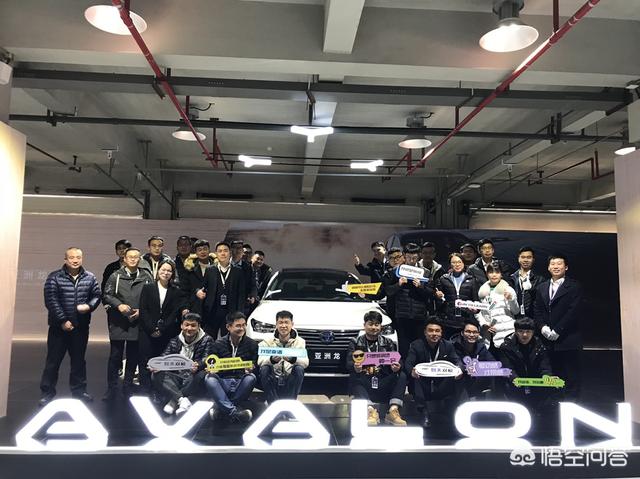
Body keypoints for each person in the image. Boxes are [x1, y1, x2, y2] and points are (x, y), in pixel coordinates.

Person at [39, 247, 101, 406]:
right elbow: (51, 301)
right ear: (65, 259)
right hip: (58, 328)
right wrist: (63, 320)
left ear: (82, 258)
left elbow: (96, 296)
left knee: (79, 362)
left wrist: (89, 306)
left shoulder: (90, 277)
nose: (75, 260)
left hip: (80, 327)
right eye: (72, 257)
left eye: (78, 257)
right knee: (53, 362)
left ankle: (79, 391)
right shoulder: (54, 277)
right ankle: (47, 392)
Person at [102, 247, 154, 400]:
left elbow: (152, 298)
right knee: (115, 356)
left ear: (140, 259)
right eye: (130, 256)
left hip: (137, 321)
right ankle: (111, 388)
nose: (133, 259)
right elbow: (107, 295)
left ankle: (128, 386)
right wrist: (119, 305)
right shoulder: (115, 276)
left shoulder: (146, 276)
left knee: (133, 356)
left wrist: (141, 311)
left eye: (136, 257)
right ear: (124, 259)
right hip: (118, 321)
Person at [534, 254, 584, 401]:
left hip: (568, 339)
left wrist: (558, 330)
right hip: (547, 340)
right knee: (552, 373)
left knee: (571, 374)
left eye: (559, 264)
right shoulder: (541, 287)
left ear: (566, 267)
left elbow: (573, 311)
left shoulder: (574, 286)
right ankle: (553, 403)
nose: (556, 266)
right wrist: (542, 327)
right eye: (553, 264)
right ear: (548, 267)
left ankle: (571, 404)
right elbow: (537, 309)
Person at [346, 311, 407, 426]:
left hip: (383, 380)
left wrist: (396, 367)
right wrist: (355, 367)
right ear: (364, 326)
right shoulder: (355, 342)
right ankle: (370, 411)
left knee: (402, 376)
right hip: (365, 382)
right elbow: (349, 363)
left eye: (377, 324)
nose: (373, 327)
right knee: (354, 375)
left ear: (381, 327)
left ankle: (393, 411)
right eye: (370, 324)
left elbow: (398, 361)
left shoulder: (388, 342)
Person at [138, 259, 186, 394]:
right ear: (158, 271)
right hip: (147, 331)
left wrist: (162, 328)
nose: (166, 273)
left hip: (166, 332)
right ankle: (145, 390)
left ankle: (159, 391)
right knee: (145, 360)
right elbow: (143, 309)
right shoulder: (148, 288)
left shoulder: (175, 291)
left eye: (169, 271)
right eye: (163, 270)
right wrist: (152, 329)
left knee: (162, 362)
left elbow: (174, 313)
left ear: (172, 274)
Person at [151, 313, 215, 415]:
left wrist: (198, 365)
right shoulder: (175, 340)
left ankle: (174, 401)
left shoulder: (207, 340)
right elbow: (165, 356)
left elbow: (208, 358)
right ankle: (182, 400)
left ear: (199, 327)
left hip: (193, 376)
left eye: (193, 325)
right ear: (181, 326)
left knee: (203, 375)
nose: (189, 328)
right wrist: (157, 365)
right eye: (187, 325)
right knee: (156, 374)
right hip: (177, 376)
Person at [405, 317, 462, 428]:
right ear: (425, 332)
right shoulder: (416, 345)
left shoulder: (448, 345)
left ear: (441, 333)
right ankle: (423, 413)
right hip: (423, 382)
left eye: (437, 331)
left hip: (440, 382)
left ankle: (451, 411)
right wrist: (412, 371)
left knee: (457, 376)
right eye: (430, 331)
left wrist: (459, 369)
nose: (434, 334)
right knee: (415, 377)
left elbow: (458, 361)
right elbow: (408, 363)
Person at [383, 243, 433, 360]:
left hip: (419, 316)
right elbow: (387, 291)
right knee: (403, 348)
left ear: (419, 256)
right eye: (409, 257)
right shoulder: (395, 272)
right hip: (401, 316)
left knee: (419, 348)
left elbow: (431, 293)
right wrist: (398, 284)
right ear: (404, 256)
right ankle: (403, 369)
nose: (411, 260)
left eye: (414, 258)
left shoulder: (425, 272)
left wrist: (421, 286)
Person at [205, 312, 258, 423]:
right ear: (228, 327)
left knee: (251, 377)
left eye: (244, 325)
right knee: (209, 378)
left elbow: (255, 364)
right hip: (223, 380)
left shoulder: (252, 344)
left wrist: (252, 368)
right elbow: (211, 363)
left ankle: (221, 409)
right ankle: (234, 412)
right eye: (238, 326)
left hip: (240, 380)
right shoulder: (217, 344)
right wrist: (211, 369)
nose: (242, 328)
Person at [500, 317, 557, 413]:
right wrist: (514, 379)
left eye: (528, 331)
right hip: (515, 384)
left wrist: (547, 376)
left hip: (536, 384)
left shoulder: (539, 345)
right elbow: (507, 368)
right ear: (515, 332)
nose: (525, 335)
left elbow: (544, 365)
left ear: (533, 332)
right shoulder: (506, 346)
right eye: (521, 331)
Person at [196, 241, 246, 339]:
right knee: (209, 339)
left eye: (225, 251)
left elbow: (241, 294)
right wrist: (198, 291)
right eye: (220, 251)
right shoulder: (210, 270)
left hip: (230, 311)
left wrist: (240, 314)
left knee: (228, 339)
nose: (223, 253)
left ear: (230, 252)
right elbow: (202, 287)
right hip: (212, 311)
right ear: (216, 254)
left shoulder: (238, 271)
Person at [257, 310, 308, 404]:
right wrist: (271, 360)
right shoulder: (267, 341)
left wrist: (293, 359)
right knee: (264, 369)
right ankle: (273, 404)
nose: (283, 326)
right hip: (274, 379)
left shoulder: (300, 342)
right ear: (276, 324)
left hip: (289, 379)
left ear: (292, 324)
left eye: (286, 322)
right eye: (280, 322)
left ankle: (289, 404)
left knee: (299, 369)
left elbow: (305, 362)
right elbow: (260, 361)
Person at [475, 262, 519, 354]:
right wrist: (484, 324)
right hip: (488, 335)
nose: (494, 275)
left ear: (501, 274)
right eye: (491, 272)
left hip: (507, 333)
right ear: (487, 274)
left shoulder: (508, 289)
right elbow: (479, 312)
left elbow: (516, 311)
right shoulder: (482, 291)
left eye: (497, 272)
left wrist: (511, 299)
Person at [435, 252, 479, 339]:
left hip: (465, 321)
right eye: (454, 262)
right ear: (450, 264)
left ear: (463, 263)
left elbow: (476, 301)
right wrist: (438, 297)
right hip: (448, 321)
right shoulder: (444, 279)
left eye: (459, 262)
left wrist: (475, 309)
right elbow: (439, 301)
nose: (457, 264)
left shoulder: (471, 280)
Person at [451, 319, 495, 400]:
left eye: (475, 332)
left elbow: (493, 363)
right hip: (459, 384)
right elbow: (456, 364)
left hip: (477, 383)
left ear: (478, 334)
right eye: (468, 332)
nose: (471, 335)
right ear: (462, 333)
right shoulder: (453, 346)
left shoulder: (481, 347)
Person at [180, 239, 216, 315]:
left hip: (214, 308)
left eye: (205, 249)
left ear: (209, 251)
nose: (203, 252)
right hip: (195, 308)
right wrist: (185, 307)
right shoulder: (189, 269)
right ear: (196, 253)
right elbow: (184, 291)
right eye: (199, 250)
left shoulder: (217, 268)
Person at [510, 246, 543, 318]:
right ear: (519, 259)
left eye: (529, 257)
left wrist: (532, 290)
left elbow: (541, 301)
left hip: (532, 318)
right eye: (523, 257)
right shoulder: (511, 278)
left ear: (533, 259)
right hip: (514, 317)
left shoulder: (540, 279)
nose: (525, 260)